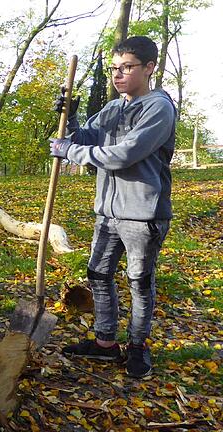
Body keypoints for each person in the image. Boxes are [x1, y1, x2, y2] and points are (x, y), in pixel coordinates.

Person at [51, 36, 175, 378]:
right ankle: (106, 343)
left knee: (139, 281)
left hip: (143, 215)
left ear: (149, 68)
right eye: (114, 68)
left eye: (127, 67)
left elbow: (123, 155)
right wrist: (71, 121)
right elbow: (85, 138)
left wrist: (68, 151)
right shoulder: (113, 108)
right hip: (107, 212)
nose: (118, 75)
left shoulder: (158, 109)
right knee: (99, 274)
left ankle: (138, 347)